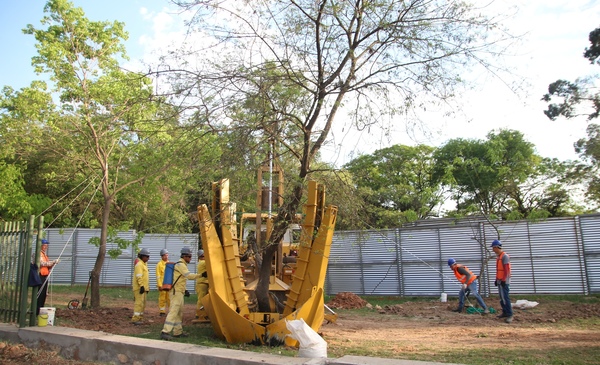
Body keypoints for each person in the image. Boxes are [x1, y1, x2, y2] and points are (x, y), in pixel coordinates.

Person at [160, 246, 202, 340]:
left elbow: (181, 280)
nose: (190, 258)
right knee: (174, 311)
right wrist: (201, 275)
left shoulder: (182, 265)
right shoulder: (180, 265)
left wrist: (185, 290)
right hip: (176, 292)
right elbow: (188, 276)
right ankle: (165, 331)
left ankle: (177, 332)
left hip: (180, 292)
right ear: (185, 256)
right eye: (190, 256)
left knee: (179, 312)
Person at [491, 239, 513, 323]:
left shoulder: (505, 256)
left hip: (505, 281)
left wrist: (504, 280)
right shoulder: (499, 257)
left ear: (496, 247)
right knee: (501, 298)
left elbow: (507, 270)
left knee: (505, 298)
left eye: (493, 248)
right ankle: (505, 312)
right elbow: (498, 270)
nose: (493, 250)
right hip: (500, 280)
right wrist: (496, 279)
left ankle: (510, 314)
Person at [37, 239, 58, 315]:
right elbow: (42, 264)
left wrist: (53, 264)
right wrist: (52, 262)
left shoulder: (45, 255)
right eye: (44, 245)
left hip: (45, 276)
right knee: (40, 293)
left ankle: (40, 309)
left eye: (46, 246)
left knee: (44, 294)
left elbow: (47, 266)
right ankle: (37, 310)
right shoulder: (37, 254)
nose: (45, 247)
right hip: (40, 276)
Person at [132, 248, 150, 325]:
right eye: (147, 257)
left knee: (143, 304)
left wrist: (146, 287)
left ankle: (140, 318)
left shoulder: (144, 264)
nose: (148, 258)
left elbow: (145, 277)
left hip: (144, 288)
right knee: (138, 303)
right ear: (143, 256)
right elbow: (139, 276)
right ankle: (135, 319)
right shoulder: (139, 265)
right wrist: (141, 286)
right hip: (139, 288)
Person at [156, 248, 170, 316]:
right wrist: (159, 285)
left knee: (169, 298)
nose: (166, 256)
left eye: (167, 255)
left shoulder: (169, 264)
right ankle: (162, 311)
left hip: (168, 284)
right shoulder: (159, 264)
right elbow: (158, 275)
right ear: (162, 256)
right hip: (162, 284)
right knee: (162, 298)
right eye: (165, 255)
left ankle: (171, 311)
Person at [195, 249, 208, 320]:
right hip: (202, 283)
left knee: (203, 300)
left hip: (202, 283)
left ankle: (203, 314)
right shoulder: (203, 262)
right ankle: (199, 314)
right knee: (201, 300)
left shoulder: (200, 262)